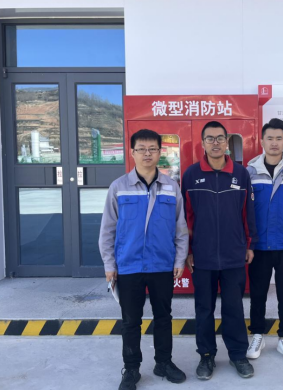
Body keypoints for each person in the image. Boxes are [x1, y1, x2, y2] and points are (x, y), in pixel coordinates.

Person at [99, 129, 189, 390]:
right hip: (129, 265)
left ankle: (163, 362)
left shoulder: (171, 187)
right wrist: (109, 264)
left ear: (160, 152)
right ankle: (131, 368)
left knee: (163, 317)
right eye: (141, 149)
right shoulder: (118, 187)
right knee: (130, 321)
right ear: (132, 152)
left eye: (152, 149)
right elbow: (107, 230)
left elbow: (181, 228)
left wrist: (179, 260)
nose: (147, 154)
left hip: (162, 264)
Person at [181, 121, 258, 380]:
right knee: (204, 309)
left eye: (220, 138)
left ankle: (238, 355)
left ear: (227, 142)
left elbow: (248, 212)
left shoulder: (241, 174)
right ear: (202, 143)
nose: (215, 143)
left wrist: (249, 244)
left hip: (234, 254)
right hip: (202, 256)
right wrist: (188, 250)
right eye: (210, 138)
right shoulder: (191, 175)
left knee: (234, 308)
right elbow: (186, 217)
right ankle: (206, 355)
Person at [245, 118, 283, 363]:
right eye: (269, 138)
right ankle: (257, 334)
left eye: (278, 138)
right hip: (259, 246)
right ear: (262, 141)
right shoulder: (250, 172)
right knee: (258, 294)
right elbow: (245, 208)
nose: (274, 142)